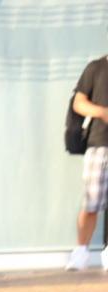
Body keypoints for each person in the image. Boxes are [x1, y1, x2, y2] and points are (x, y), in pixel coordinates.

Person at [68, 52, 108, 271]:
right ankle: (81, 252)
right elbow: (79, 103)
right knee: (91, 202)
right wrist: (102, 112)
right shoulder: (96, 68)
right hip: (100, 143)